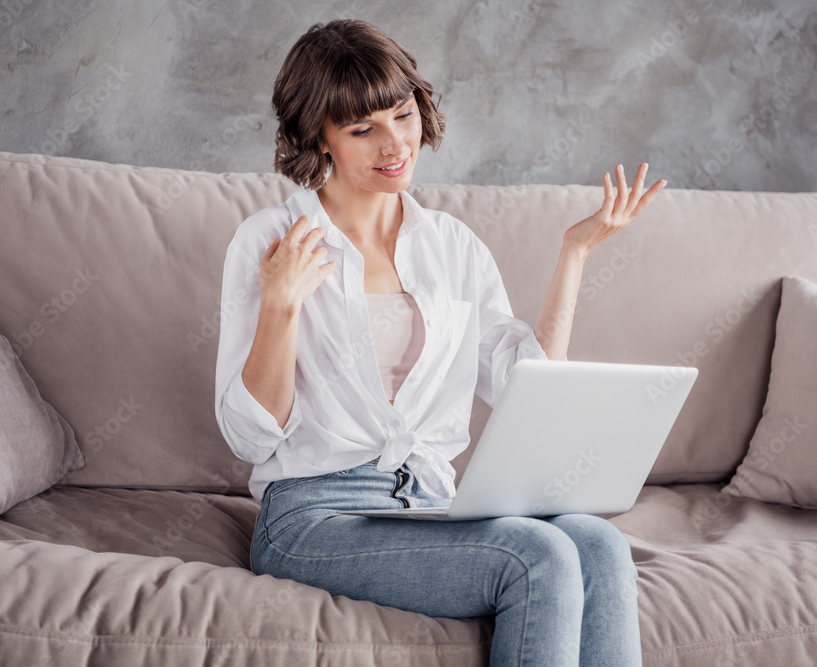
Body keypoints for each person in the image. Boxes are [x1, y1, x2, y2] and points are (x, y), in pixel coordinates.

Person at [214, 18, 665, 667]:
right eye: (362, 128)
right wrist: (281, 304)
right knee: (534, 556)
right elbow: (251, 436)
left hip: (429, 506)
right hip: (313, 516)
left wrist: (575, 253)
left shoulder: (453, 246)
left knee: (597, 543)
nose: (394, 143)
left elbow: (524, 389)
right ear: (320, 135)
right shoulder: (271, 240)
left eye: (402, 115)